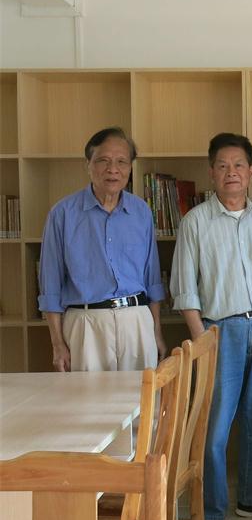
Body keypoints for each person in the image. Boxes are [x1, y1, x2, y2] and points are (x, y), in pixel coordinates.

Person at [170, 133, 252, 520]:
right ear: (211, 173)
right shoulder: (195, 222)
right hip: (219, 330)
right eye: (222, 166)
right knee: (214, 423)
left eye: (239, 165)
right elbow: (184, 289)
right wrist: (203, 340)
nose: (231, 173)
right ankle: (209, 511)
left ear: (251, 171)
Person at [38, 127, 166, 372]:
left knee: (141, 395)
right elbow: (50, 286)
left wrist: (156, 331)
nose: (112, 169)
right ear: (88, 164)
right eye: (103, 161)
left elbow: (152, 281)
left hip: (136, 321)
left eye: (121, 162)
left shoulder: (141, 212)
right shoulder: (62, 214)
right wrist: (57, 344)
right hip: (86, 323)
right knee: (88, 396)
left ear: (130, 168)